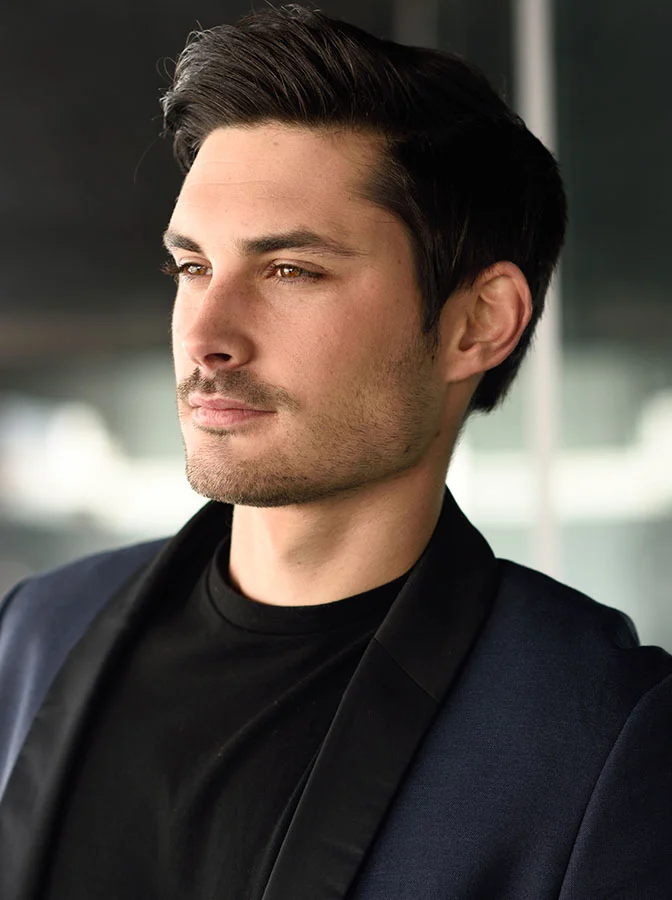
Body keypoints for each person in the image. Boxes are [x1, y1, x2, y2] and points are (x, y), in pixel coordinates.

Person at [1, 5, 670, 899]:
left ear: (478, 323)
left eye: (290, 271)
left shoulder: (598, 733)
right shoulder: (34, 633)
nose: (206, 336)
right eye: (192, 266)